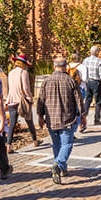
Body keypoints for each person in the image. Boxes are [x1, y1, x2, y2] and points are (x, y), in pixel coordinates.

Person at [37, 56, 85, 185]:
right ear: (65, 66)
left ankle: (59, 167)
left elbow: (40, 100)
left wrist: (40, 116)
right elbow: (79, 100)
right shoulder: (70, 81)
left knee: (57, 144)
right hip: (67, 118)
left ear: (54, 66)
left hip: (51, 119)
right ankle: (59, 165)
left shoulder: (47, 81)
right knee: (67, 144)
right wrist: (83, 116)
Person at [5, 53, 39, 150]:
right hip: (22, 101)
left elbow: (9, 87)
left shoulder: (10, 73)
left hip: (12, 100)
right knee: (29, 121)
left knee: (12, 124)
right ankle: (35, 141)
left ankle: (9, 145)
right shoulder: (23, 72)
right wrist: (30, 98)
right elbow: (26, 88)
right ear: (23, 64)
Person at [81, 46, 101, 127]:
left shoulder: (85, 60)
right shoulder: (99, 61)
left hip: (88, 82)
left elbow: (83, 71)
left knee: (88, 100)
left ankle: (83, 117)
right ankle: (97, 119)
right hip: (96, 82)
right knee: (98, 101)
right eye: (98, 52)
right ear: (96, 52)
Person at [68, 57, 88, 132]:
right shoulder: (82, 66)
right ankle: (76, 127)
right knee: (79, 108)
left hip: (69, 89)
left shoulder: (67, 66)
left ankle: (71, 126)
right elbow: (85, 79)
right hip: (80, 88)